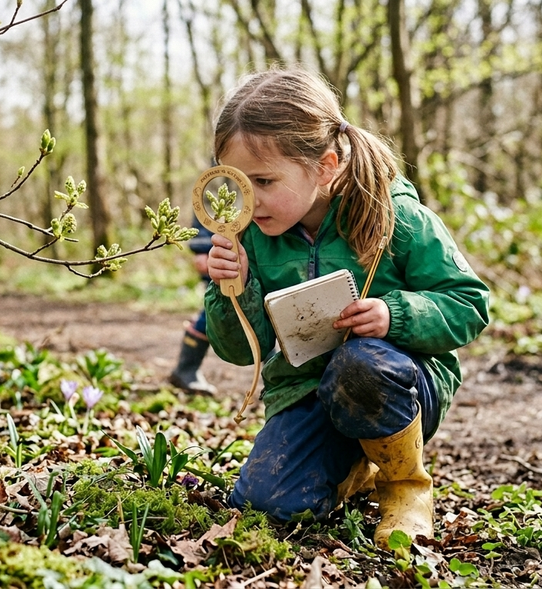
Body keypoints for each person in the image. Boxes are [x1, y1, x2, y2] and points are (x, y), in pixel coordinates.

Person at [203, 67, 490, 547]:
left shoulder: (396, 216)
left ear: (326, 165)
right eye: (240, 183)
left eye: (266, 180)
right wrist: (235, 286)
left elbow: (469, 303)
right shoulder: (247, 237)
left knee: (360, 366)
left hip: (398, 383)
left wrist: (393, 315)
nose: (251, 199)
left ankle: (404, 485)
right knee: (269, 504)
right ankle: (356, 461)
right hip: (307, 391)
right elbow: (235, 352)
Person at [168, 215, 218, 395]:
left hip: (248, 246)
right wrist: (202, 247)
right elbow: (206, 200)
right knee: (217, 306)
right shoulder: (222, 185)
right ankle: (186, 369)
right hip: (218, 249)